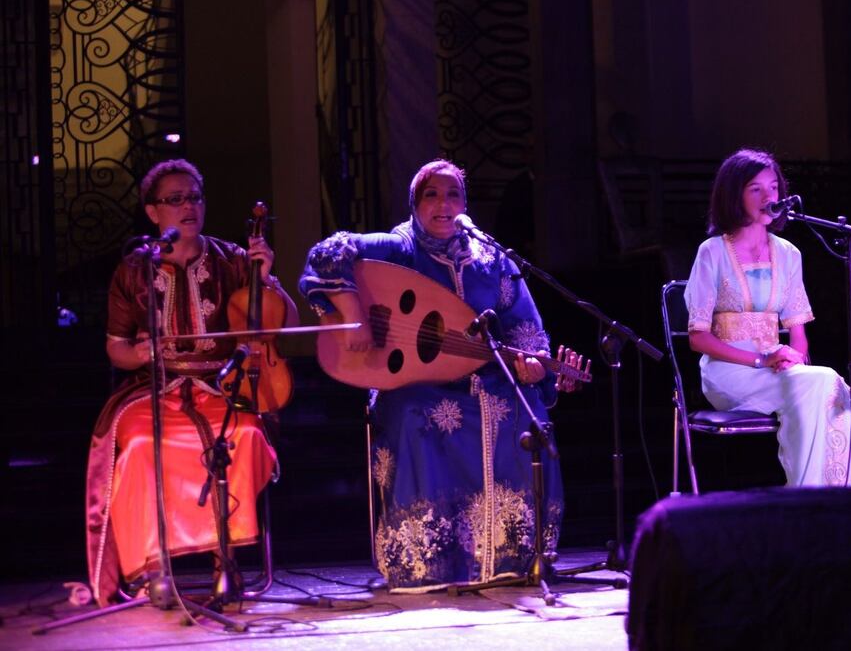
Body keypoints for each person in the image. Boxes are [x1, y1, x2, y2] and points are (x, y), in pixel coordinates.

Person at [300, 158, 581, 591]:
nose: (443, 204)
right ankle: (429, 562)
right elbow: (328, 252)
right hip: (418, 383)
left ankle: (513, 557)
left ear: (466, 205)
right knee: (416, 414)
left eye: (453, 195)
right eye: (431, 194)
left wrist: (534, 366)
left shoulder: (491, 260)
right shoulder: (400, 247)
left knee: (529, 417)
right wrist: (354, 314)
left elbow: (525, 329)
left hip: (486, 381)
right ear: (415, 204)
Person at [85, 159, 295, 604]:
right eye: (175, 199)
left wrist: (267, 279)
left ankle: (226, 560)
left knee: (245, 433)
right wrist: (140, 352)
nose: (188, 206)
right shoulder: (132, 271)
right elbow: (116, 347)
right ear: (152, 211)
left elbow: (286, 326)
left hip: (223, 386)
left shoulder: (234, 260)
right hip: (153, 388)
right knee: (142, 443)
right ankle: (153, 566)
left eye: (195, 197)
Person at [684, 148, 851, 487]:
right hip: (731, 372)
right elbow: (698, 338)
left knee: (825, 383)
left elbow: (797, 329)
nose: (769, 197)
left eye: (774, 188)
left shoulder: (788, 253)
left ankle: (842, 496)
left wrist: (795, 361)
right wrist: (761, 360)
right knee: (823, 383)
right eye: (756, 189)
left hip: (779, 369)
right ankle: (812, 500)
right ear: (735, 195)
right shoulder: (712, 252)